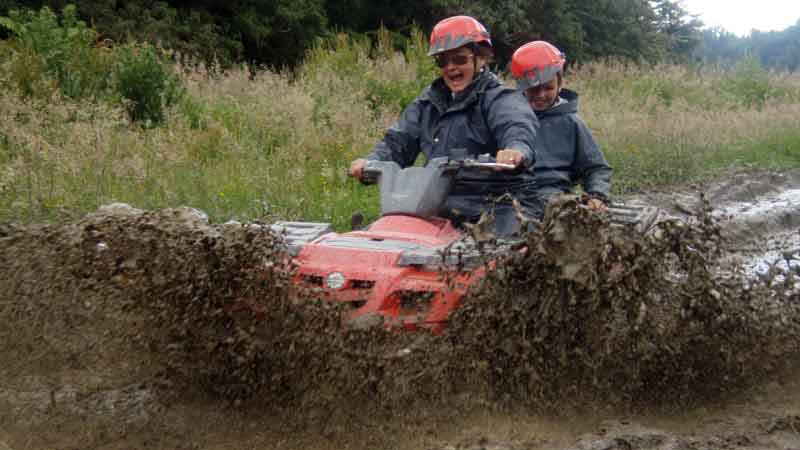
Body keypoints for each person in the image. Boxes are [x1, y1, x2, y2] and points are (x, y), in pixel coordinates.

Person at [348, 15, 541, 237]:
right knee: (389, 240)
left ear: (482, 59)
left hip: (498, 203)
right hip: (437, 203)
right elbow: (398, 142)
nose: (451, 68)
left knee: (496, 258)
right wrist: (373, 161)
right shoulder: (428, 102)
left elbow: (517, 126)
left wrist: (516, 150)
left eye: (459, 59)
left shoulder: (501, 98)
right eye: (442, 61)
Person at [509, 40, 612, 211]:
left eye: (548, 88)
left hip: (553, 198)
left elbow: (597, 168)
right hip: (510, 195)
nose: (541, 95)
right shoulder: (506, 118)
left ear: (560, 84)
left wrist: (597, 195)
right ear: (521, 87)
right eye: (534, 89)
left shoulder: (572, 122)